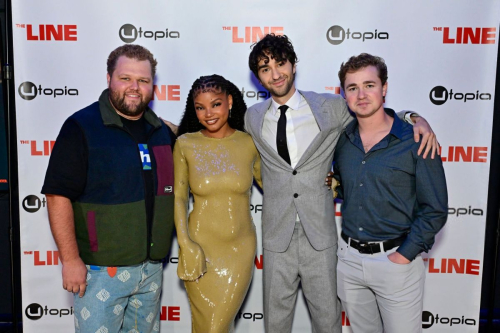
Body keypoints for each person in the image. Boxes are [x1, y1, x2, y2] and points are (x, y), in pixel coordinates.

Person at [244, 34, 438, 332]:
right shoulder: (253, 117)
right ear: (258, 77)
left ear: (293, 65)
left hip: (320, 236)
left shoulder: (330, 106)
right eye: (265, 68)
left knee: (328, 321)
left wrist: (413, 117)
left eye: (281, 64)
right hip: (275, 236)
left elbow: (372, 112)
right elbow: (210, 126)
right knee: (275, 322)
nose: (275, 73)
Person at [41, 44, 176, 333]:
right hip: (100, 272)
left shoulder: (161, 131)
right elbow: (57, 195)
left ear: (152, 85)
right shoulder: (81, 127)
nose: (134, 87)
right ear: (108, 79)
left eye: (143, 80)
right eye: (125, 78)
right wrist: (70, 260)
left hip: (151, 271)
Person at [334, 53, 448, 332]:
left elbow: (435, 208)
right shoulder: (342, 139)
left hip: (396, 262)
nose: (361, 94)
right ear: (344, 94)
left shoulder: (416, 140)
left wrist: (405, 254)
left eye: (369, 85)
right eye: (353, 88)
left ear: (384, 89)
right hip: (349, 261)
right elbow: (343, 184)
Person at [173, 75, 262, 332]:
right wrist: (185, 244)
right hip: (199, 248)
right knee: (206, 327)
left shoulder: (249, 143)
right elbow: (178, 198)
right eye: (200, 107)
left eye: (216, 104)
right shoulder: (185, 144)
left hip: (239, 250)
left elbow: (275, 184)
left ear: (230, 102)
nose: (208, 113)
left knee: (216, 327)